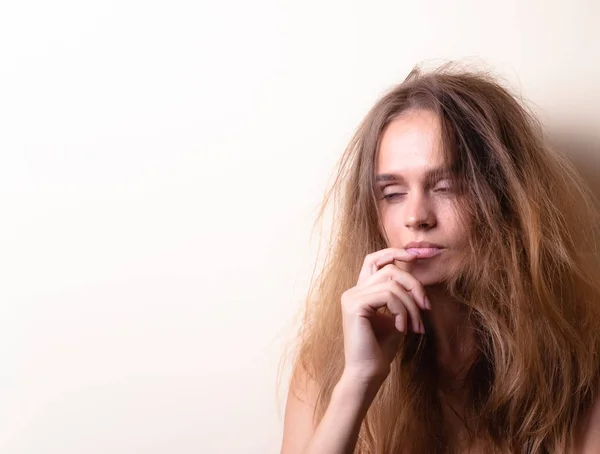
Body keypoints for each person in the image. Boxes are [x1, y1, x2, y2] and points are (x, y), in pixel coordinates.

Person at [279, 63, 600, 453]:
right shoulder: (328, 365)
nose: (416, 216)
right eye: (393, 194)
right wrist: (359, 381)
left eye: (445, 187)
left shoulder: (582, 364)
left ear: (504, 199)